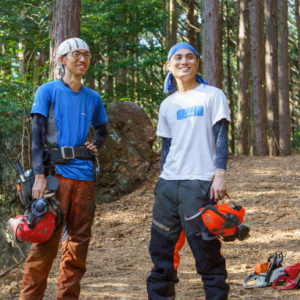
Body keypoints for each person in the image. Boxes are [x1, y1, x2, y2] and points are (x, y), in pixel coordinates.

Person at [20, 38, 108, 300]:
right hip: (55, 177)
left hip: (85, 178)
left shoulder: (93, 97)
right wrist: (38, 176)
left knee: (79, 243)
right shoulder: (47, 91)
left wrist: (95, 145)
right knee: (44, 241)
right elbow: (36, 136)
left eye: (87, 55)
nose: (82, 59)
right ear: (62, 60)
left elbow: (103, 129)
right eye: (76, 54)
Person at [146, 42, 231, 300]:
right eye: (178, 58)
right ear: (169, 66)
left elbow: (221, 136)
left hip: (199, 184)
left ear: (197, 62)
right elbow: (166, 147)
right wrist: (162, 180)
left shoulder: (212, 95)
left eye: (190, 57)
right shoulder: (168, 104)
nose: (184, 62)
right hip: (168, 186)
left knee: (206, 252)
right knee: (161, 252)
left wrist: (220, 173)